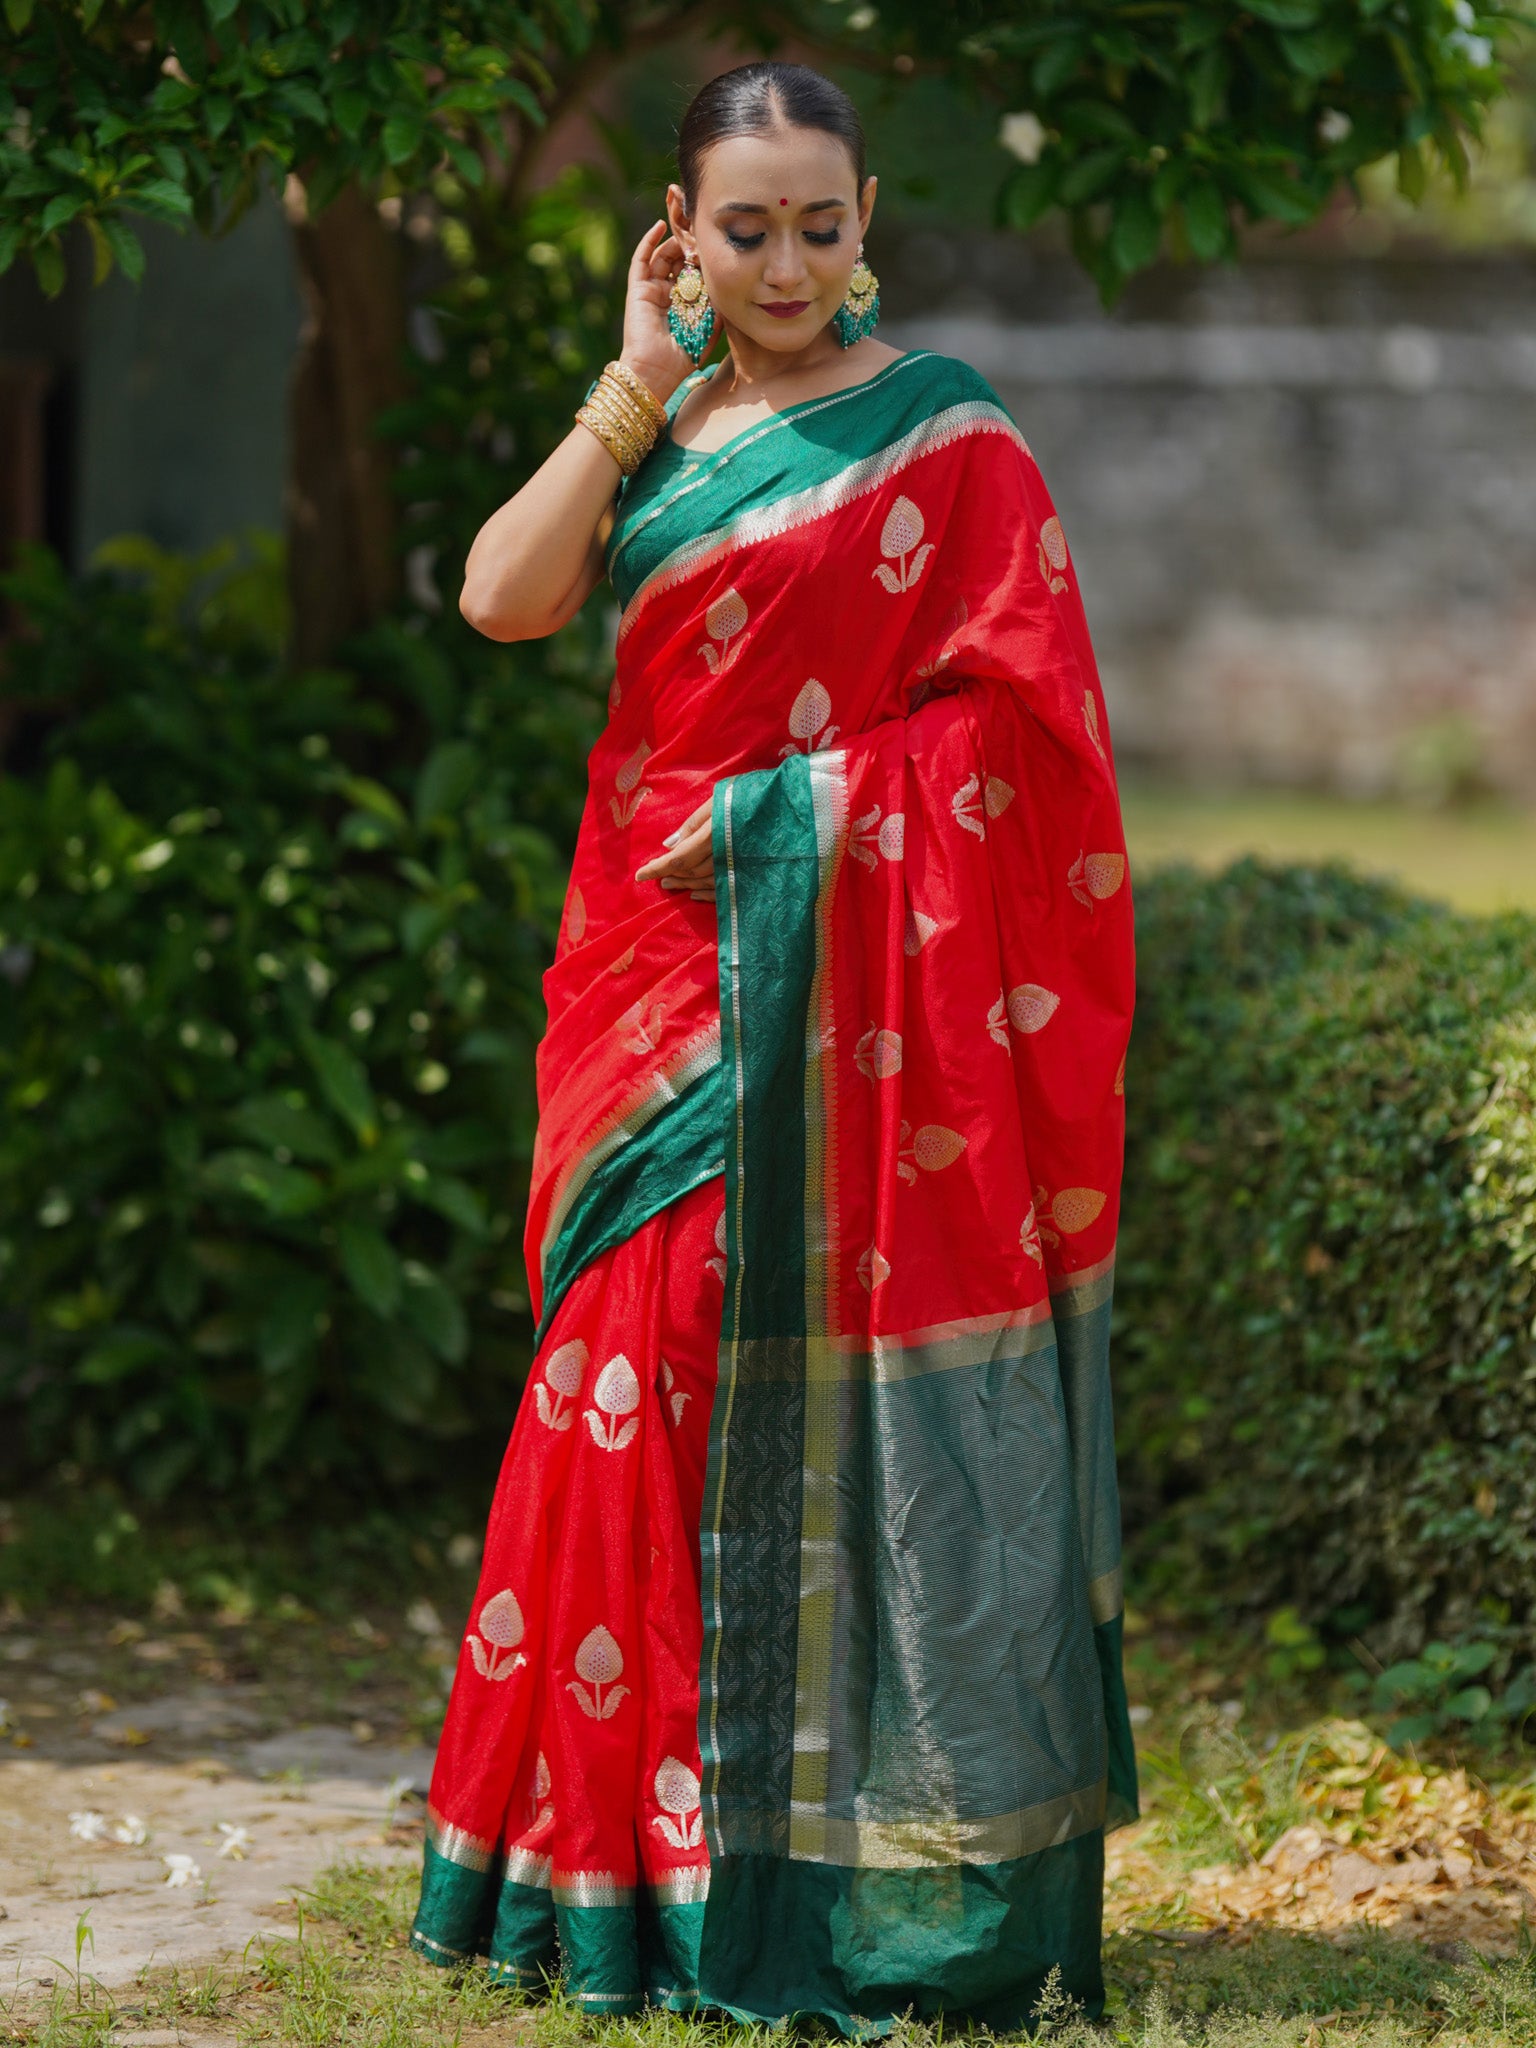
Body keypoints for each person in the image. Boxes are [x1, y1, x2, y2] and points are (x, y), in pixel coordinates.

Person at [410, 57, 1138, 2035]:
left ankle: (810, 1883)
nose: (790, 259)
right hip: (644, 979)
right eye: (747, 226)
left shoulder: (944, 440)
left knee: (747, 1396)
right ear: (683, 236)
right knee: (605, 1393)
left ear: (869, 216)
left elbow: (1032, 738)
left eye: (821, 222)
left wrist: (807, 823)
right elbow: (498, 595)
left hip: (830, 981)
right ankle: (603, 1881)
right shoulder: (661, 428)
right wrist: (632, 375)